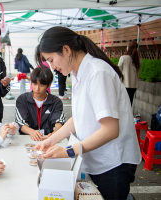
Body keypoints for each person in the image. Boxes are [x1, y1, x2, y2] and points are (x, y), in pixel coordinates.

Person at [34, 27, 141, 200]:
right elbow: (79, 117)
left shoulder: (97, 73)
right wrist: (51, 139)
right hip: (97, 159)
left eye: (51, 60)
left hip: (112, 163)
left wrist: (68, 151)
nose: (52, 67)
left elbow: (110, 130)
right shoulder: (78, 73)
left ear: (66, 50)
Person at [16, 67, 65, 141]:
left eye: (41, 85)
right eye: (34, 84)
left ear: (49, 85)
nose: (37, 89)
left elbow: (58, 121)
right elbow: (21, 122)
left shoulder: (56, 101)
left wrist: (55, 133)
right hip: (27, 139)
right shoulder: (22, 99)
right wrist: (32, 132)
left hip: (48, 139)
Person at [118, 40, 141, 106]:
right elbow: (138, 73)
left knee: (123, 103)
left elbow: (119, 71)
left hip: (124, 84)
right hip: (134, 85)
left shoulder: (123, 58)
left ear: (128, 48)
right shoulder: (138, 59)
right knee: (130, 103)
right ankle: (129, 116)